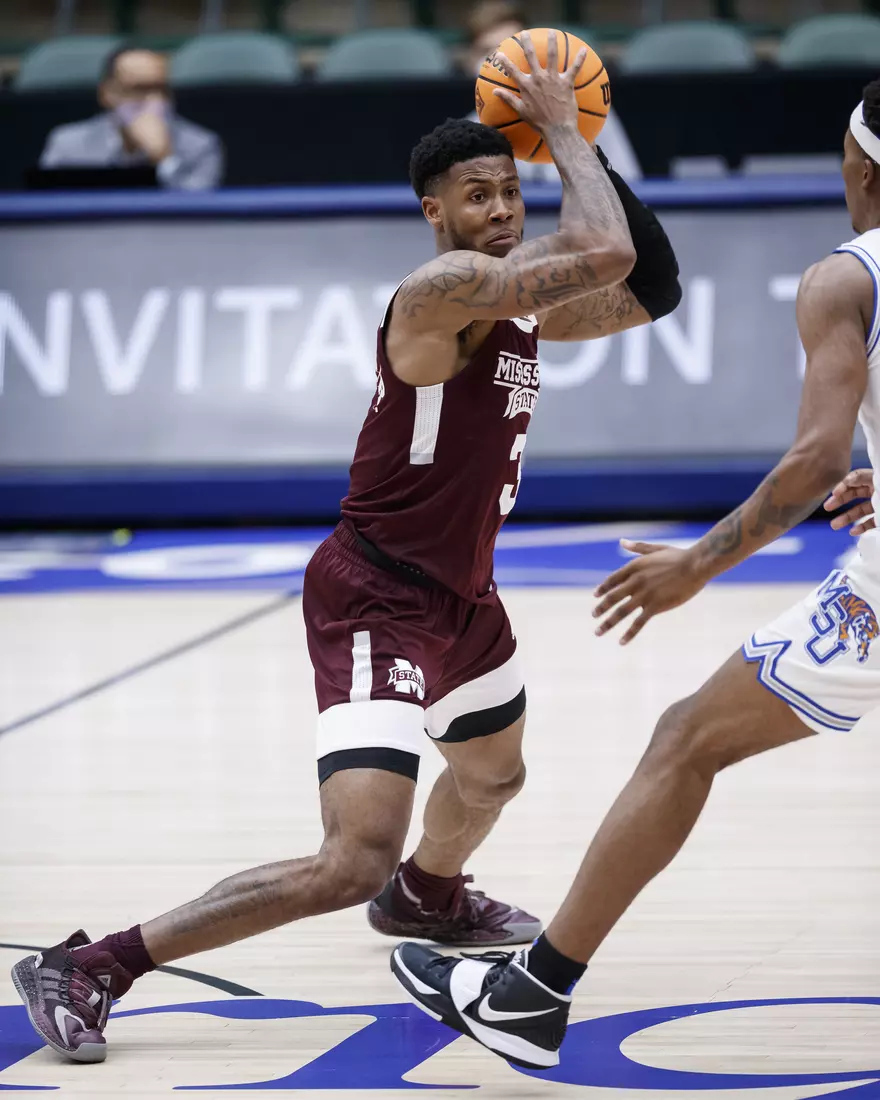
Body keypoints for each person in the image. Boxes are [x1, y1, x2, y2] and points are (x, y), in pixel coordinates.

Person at [12, 31, 680, 1065]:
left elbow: (651, 288)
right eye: (477, 195)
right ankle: (96, 961)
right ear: (434, 213)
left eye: (511, 191)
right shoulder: (441, 295)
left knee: (493, 779)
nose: (500, 211)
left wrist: (581, 140)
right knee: (350, 856)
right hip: (377, 594)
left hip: (464, 597)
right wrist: (559, 126)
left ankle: (431, 892)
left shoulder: (521, 312)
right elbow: (605, 256)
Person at [391, 77, 880, 1072]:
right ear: (435, 212)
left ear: (857, 164)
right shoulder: (445, 299)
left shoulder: (846, 276)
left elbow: (811, 459)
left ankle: (531, 989)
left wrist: (699, 562)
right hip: (414, 570)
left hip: (417, 577)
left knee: (684, 738)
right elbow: (636, 281)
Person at [464, 0, 642, 183]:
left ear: (531, 53)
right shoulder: (466, 136)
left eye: (509, 50)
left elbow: (628, 188)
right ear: (470, 61)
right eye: (488, 52)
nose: (501, 62)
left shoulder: (590, 111)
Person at [39, 46, 223, 191]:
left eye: (162, 89)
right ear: (106, 94)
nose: (155, 101)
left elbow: (198, 218)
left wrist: (165, 160)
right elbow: (45, 208)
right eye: (139, 89)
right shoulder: (68, 145)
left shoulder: (201, 146)